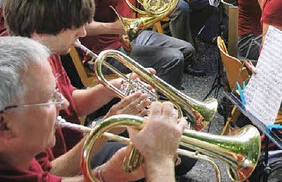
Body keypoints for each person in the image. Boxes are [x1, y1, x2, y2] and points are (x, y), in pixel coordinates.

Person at [0, 37, 186, 182]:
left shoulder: (15, 156)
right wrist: (160, 162)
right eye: (49, 99)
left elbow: (45, 178)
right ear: (5, 123)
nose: (63, 105)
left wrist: (107, 175)